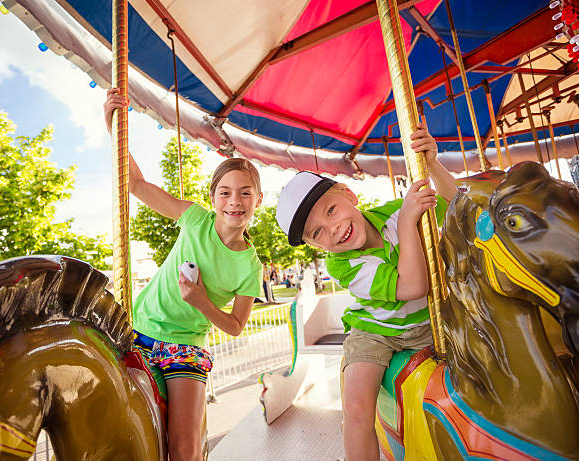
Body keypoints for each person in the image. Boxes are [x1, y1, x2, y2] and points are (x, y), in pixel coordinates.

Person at [275, 122, 456, 461]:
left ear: (349, 194)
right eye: (318, 233)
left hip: (432, 321)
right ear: (315, 245)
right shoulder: (341, 265)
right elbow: (414, 287)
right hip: (376, 332)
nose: (334, 229)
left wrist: (432, 163)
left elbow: (454, 203)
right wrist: (407, 222)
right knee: (357, 408)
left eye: (331, 210)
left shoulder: (391, 212)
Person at [104, 88, 263, 461]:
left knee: (185, 446)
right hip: (137, 329)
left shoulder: (249, 265)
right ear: (213, 200)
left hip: (184, 350)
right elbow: (138, 186)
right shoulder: (194, 219)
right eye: (225, 193)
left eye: (244, 193)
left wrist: (201, 301)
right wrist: (113, 125)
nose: (234, 202)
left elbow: (237, 325)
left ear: (258, 199)